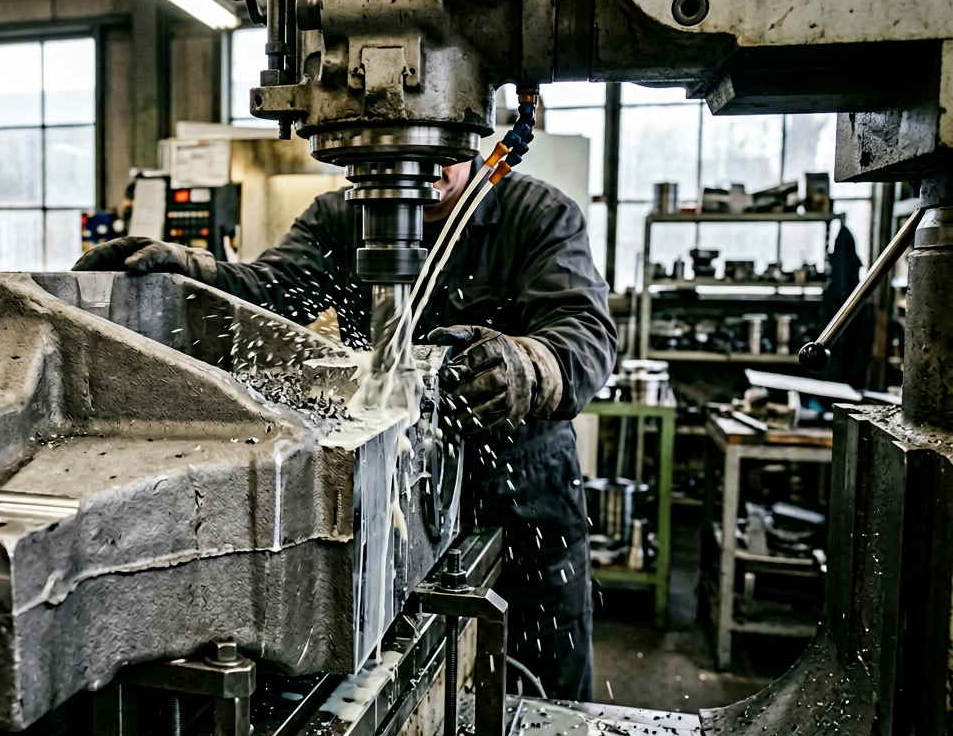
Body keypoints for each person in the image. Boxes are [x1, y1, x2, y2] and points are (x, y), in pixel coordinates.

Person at [73, 158, 616, 701]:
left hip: (518, 508)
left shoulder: (537, 215)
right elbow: (268, 292)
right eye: (399, 159)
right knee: (402, 688)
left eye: (436, 155)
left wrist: (530, 364)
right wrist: (199, 278)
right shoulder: (340, 216)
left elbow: (586, 331)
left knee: (542, 696)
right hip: (393, 507)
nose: (420, 172)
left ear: (474, 131)